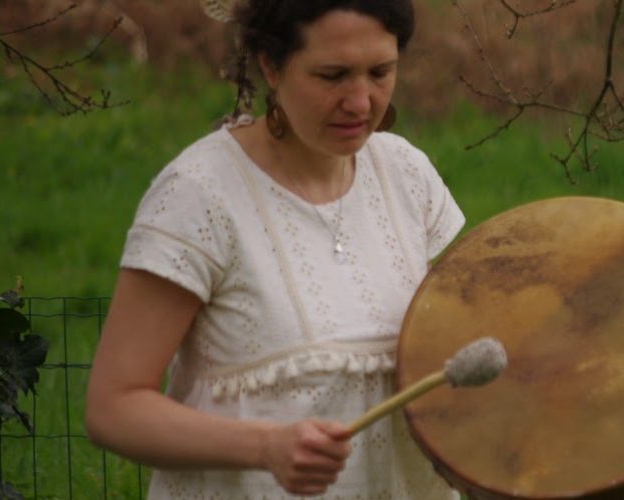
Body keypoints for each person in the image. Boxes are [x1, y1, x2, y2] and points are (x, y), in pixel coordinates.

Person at [84, 0, 465, 498]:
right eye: (333, 75)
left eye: (380, 72)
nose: (360, 101)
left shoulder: (407, 176)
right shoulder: (200, 194)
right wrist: (265, 446)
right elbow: (114, 408)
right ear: (270, 65)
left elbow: (441, 350)